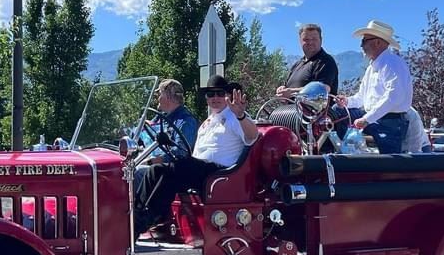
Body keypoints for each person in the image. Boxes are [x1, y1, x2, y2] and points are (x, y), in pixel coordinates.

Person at [135, 75, 258, 238]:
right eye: (210, 94)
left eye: (220, 93)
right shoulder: (209, 121)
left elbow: (252, 137)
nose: (215, 98)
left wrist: (241, 115)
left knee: (167, 170)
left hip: (219, 174)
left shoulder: (234, 116)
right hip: (201, 169)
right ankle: (139, 217)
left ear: (227, 95)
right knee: (156, 171)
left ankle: (142, 222)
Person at [334, 20, 413, 154]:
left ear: (377, 42)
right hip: (376, 118)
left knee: (389, 163)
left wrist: (367, 119)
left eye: (364, 41)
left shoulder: (392, 63)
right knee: (337, 111)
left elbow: (393, 97)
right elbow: (361, 98)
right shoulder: (373, 67)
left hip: (390, 122)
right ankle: (342, 152)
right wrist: (347, 102)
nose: (361, 46)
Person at [276, 23, 339, 97]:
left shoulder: (326, 61)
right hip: (290, 108)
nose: (310, 42)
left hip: (315, 108)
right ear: (300, 41)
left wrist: (291, 92)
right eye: (306, 39)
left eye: (314, 39)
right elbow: (287, 88)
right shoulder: (296, 65)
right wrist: (282, 90)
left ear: (321, 40)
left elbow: (322, 90)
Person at [146, 79, 199, 163]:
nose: (158, 99)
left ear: (168, 96)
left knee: (138, 171)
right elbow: (144, 133)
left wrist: (152, 161)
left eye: (159, 94)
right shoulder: (160, 117)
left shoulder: (186, 121)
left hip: (175, 169)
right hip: (154, 162)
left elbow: (181, 152)